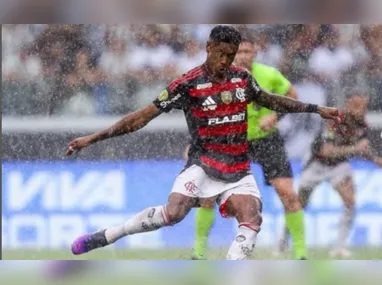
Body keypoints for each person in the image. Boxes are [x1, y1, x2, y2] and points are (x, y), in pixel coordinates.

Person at [66, 25, 338, 260]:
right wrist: (93, 138)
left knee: (252, 217)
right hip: (204, 164)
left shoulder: (241, 79)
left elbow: (272, 100)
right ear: (208, 47)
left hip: (237, 168)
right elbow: (140, 118)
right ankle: (111, 234)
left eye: (230, 55)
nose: (225, 60)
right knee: (172, 214)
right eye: (221, 53)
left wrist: (314, 108)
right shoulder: (187, 84)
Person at [191, 35, 308, 260]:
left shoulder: (269, 74)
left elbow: (292, 95)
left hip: (266, 139)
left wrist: (275, 115)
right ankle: (199, 250)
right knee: (207, 195)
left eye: (247, 52)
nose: (243, 56)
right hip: (231, 138)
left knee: (288, 194)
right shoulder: (218, 76)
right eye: (239, 52)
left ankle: (301, 254)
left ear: (254, 53)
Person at [277, 92, 382, 258]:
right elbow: (326, 152)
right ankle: (283, 242)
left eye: (364, 106)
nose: (361, 110)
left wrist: (375, 159)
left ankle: (338, 247)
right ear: (348, 104)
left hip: (338, 166)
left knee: (350, 202)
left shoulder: (362, 124)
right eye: (357, 105)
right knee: (298, 205)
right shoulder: (334, 119)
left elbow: (362, 147)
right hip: (316, 164)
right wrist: (355, 150)